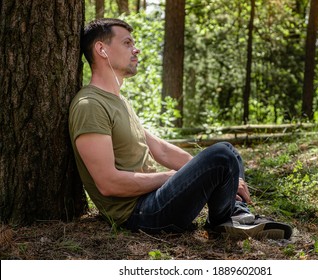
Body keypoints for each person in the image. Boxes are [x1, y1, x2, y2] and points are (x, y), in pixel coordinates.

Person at [69, 18, 292, 240]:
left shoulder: (118, 101)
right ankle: (226, 220)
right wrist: (174, 176)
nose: (136, 49)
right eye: (127, 43)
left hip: (153, 199)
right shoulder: (90, 105)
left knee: (230, 154)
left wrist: (199, 171)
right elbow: (108, 183)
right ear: (101, 49)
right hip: (140, 214)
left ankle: (234, 216)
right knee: (222, 155)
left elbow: (161, 150)